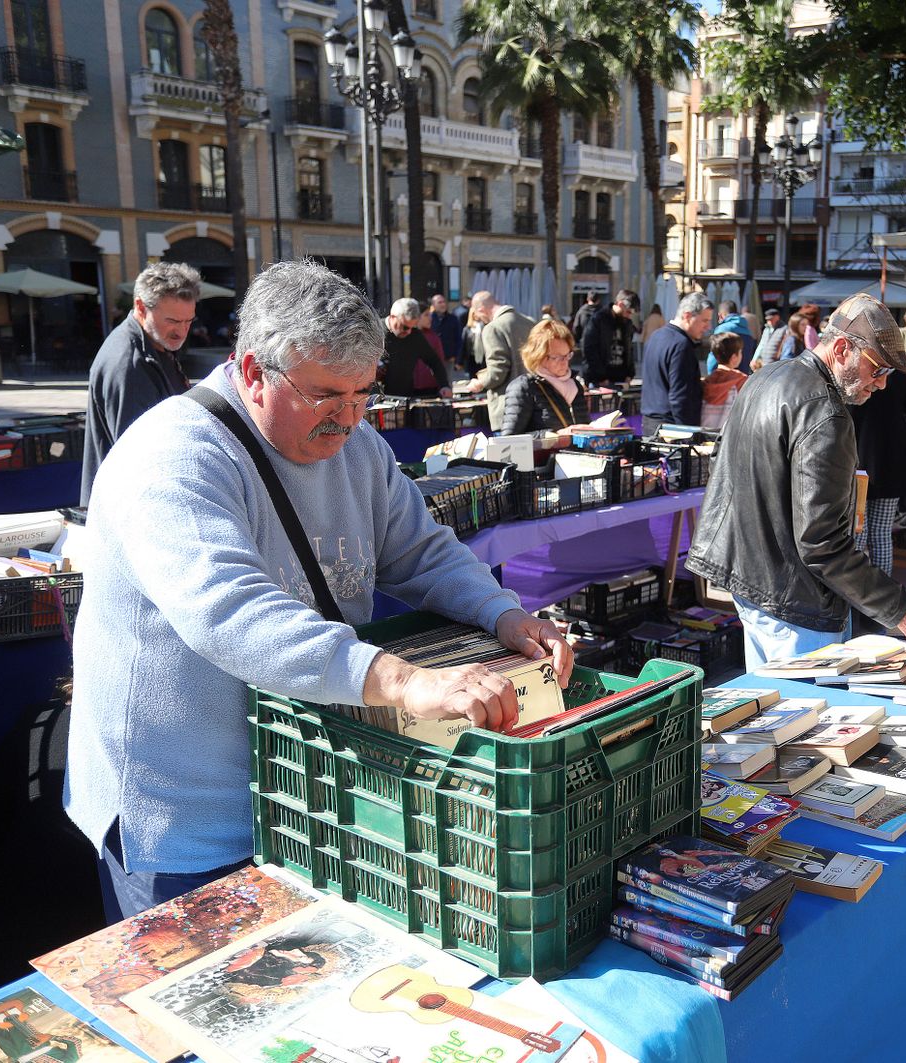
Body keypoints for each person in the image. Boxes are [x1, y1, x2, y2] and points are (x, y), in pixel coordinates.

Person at [65, 260, 573, 921]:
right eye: (327, 395)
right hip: (184, 819)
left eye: (364, 393)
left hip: (303, 794)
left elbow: (419, 550)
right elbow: (229, 610)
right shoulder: (171, 456)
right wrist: (406, 680)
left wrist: (503, 614)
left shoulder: (358, 447)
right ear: (253, 372)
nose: (349, 418)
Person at [687, 293, 906, 666]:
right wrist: (898, 606)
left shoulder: (766, 377)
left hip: (752, 577)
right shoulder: (826, 413)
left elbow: (725, 467)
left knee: (774, 713)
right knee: (805, 716)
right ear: (841, 349)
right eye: (878, 369)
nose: (882, 384)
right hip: (793, 597)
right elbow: (822, 543)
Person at [81, 262, 201, 505]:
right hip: (131, 505)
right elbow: (138, 456)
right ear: (140, 307)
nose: (182, 332)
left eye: (188, 321)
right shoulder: (128, 364)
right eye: (172, 321)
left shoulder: (156, 343)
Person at [850, 365, 906, 574]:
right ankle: (882, 597)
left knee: (857, 536)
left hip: (858, 463)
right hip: (893, 461)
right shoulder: (902, 372)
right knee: (881, 534)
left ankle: (858, 595)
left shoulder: (858, 368)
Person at [641, 291, 713, 435]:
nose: (708, 327)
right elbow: (680, 396)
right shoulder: (681, 345)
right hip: (671, 428)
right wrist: (687, 434)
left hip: (650, 421)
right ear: (687, 316)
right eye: (704, 321)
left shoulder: (656, 336)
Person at [502, 319, 589, 435]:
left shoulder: (575, 386)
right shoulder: (524, 387)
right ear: (538, 356)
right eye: (556, 357)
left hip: (576, 453)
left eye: (567, 355)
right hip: (543, 453)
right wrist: (555, 436)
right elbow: (509, 438)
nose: (564, 362)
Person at [464, 290, 533, 428]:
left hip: (508, 408)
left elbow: (498, 371)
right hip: (534, 403)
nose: (480, 319)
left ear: (481, 309)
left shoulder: (492, 328)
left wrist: (480, 382)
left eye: (478, 316)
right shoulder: (529, 322)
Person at [380, 298, 450, 399]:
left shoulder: (415, 335)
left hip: (405, 398)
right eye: (404, 327)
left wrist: (444, 385)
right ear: (392, 317)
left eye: (412, 327)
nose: (408, 332)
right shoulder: (376, 331)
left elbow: (434, 361)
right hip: (377, 401)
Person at [581, 288, 639, 386]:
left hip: (621, 378)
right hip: (600, 380)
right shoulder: (599, 319)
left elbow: (629, 350)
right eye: (628, 312)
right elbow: (589, 349)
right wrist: (600, 377)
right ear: (620, 304)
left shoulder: (627, 323)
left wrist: (630, 374)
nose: (629, 316)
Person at [701, 332, 750, 430]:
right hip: (729, 435)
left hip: (706, 434)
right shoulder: (742, 381)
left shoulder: (707, 382)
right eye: (740, 352)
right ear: (734, 357)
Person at [708, 299, 757, 373]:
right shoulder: (748, 331)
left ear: (720, 315)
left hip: (724, 379)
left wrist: (711, 375)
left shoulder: (722, 329)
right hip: (743, 379)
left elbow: (714, 357)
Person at [429, 293, 463, 371]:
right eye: (439, 302)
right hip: (432, 358)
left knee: (447, 381)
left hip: (448, 358)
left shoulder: (453, 319)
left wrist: (458, 359)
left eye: (444, 302)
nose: (443, 304)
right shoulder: (429, 319)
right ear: (433, 305)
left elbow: (458, 339)